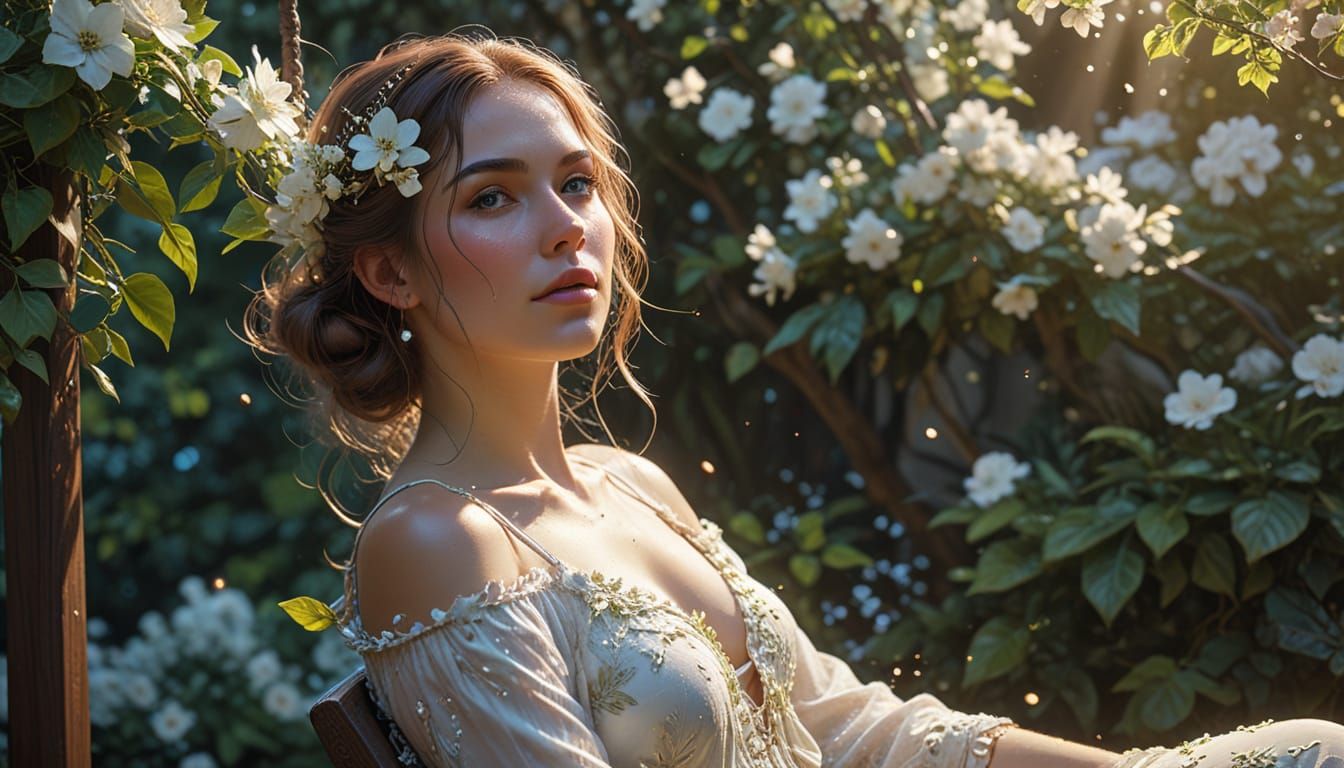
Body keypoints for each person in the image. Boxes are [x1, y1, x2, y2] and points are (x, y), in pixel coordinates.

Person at [248, 31, 1344, 768]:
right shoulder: (438, 540)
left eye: (577, 183)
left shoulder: (633, 486)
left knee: (1311, 748)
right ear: (389, 273)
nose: (565, 226)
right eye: (493, 195)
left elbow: (855, 728)